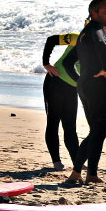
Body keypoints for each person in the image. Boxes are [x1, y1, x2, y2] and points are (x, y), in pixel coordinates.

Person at [65, 0, 106, 184]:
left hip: (85, 85)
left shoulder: (84, 33)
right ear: (94, 14)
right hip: (95, 86)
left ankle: (85, 173)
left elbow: (69, 63)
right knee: (100, 130)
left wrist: (80, 80)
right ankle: (84, 173)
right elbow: (101, 45)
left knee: (96, 130)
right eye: (105, 11)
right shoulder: (95, 31)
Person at [42, 31, 81, 170]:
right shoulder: (76, 38)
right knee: (53, 122)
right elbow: (51, 39)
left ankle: (77, 162)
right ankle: (56, 162)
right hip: (55, 81)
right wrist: (46, 63)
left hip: (73, 87)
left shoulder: (103, 47)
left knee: (70, 125)